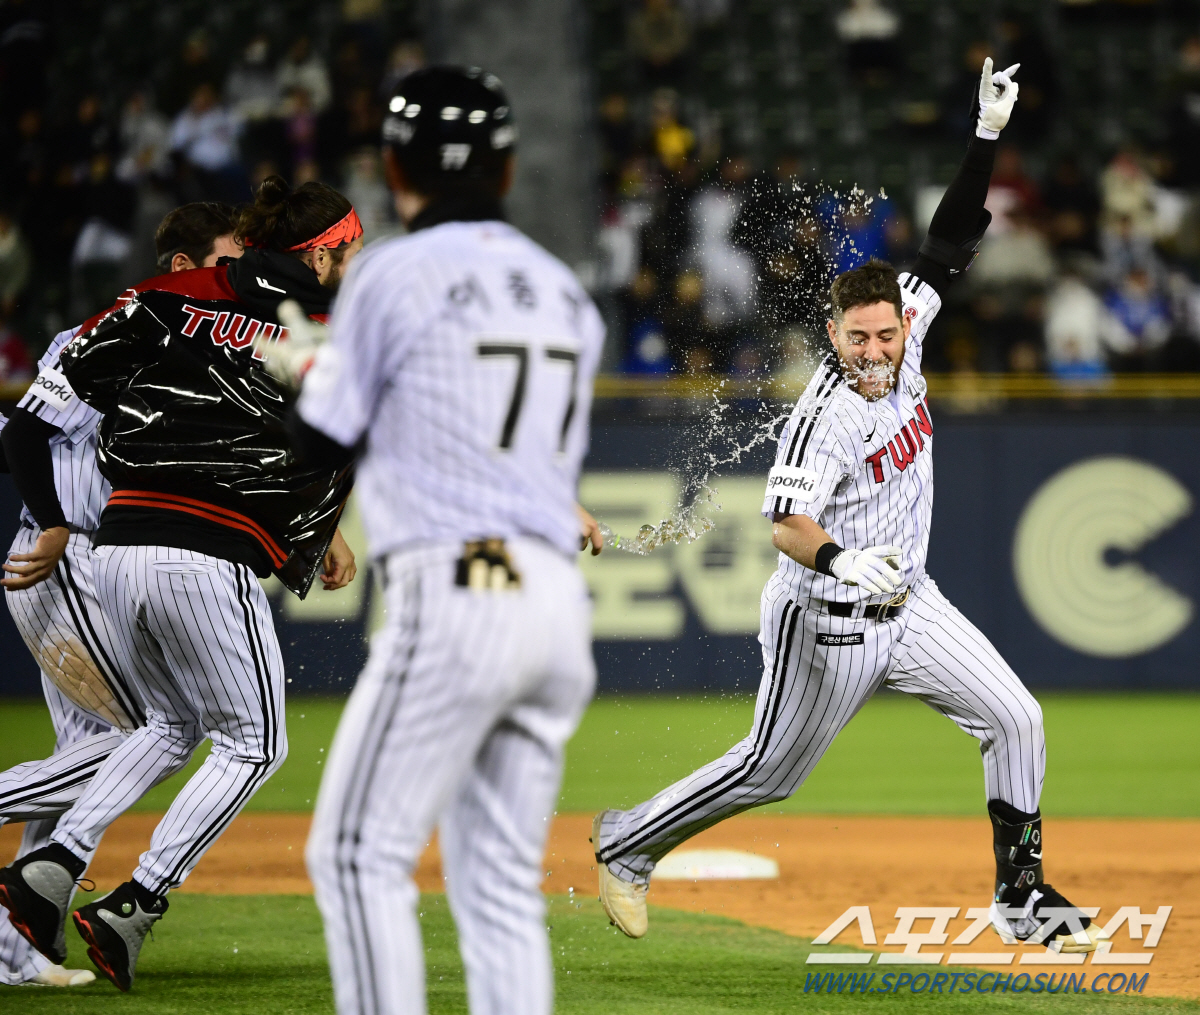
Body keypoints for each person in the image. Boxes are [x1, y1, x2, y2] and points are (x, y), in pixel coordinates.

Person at [593, 60, 1103, 956]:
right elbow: (785, 522)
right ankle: (627, 842)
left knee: (1016, 717)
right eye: (857, 336)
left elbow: (949, 243)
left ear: (903, 325)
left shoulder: (907, 322)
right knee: (766, 770)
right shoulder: (821, 417)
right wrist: (838, 561)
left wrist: (985, 138)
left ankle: (1019, 896)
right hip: (825, 615)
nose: (875, 348)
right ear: (831, 335)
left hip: (910, 602)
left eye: (885, 332)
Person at [0, 180, 362, 992]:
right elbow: (338, 441)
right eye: (350, 248)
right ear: (320, 251)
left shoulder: (163, 296)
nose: (356, 264)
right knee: (255, 741)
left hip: (117, 547)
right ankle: (135, 902)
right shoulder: (329, 333)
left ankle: (53, 866)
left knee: (166, 724)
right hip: (191, 550)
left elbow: (48, 406)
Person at [295, 67, 604, 1015]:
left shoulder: (389, 268)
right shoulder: (566, 294)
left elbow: (323, 436)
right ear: (507, 170)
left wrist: (304, 366)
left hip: (460, 588)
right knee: (500, 884)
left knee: (354, 854)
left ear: (394, 165)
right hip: (556, 604)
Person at [0, 202, 245, 989]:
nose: (237, 278)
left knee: (87, 754)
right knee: (153, 732)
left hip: (75, 560)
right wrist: (55, 524)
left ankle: (16, 947)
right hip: (66, 560)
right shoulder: (114, 334)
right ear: (184, 269)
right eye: (226, 262)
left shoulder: (174, 336)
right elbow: (22, 430)